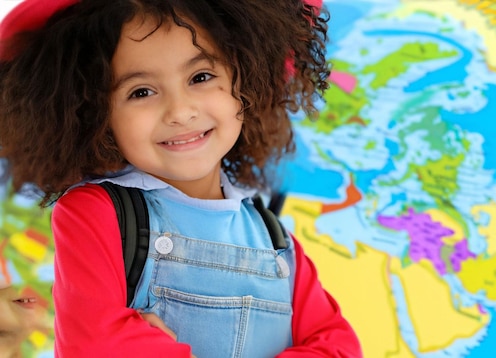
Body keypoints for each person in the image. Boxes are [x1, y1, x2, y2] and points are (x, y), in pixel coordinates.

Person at [0, 0, 362, 356]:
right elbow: (95, 345)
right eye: (141, 92)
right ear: (93, 113)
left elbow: (341, 346)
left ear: (246, 79)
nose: (180, 111)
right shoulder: (94, 212)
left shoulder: (274, 239)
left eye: (200, 77)